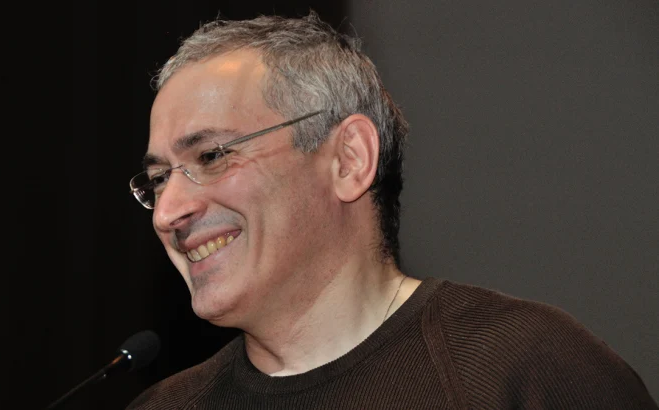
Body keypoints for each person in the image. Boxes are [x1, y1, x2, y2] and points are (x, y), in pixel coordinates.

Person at [125, 12, 657, 410]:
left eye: (212, 156)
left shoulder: (526, 369)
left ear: (349, 160)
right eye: (158, 179)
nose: (167, 212)